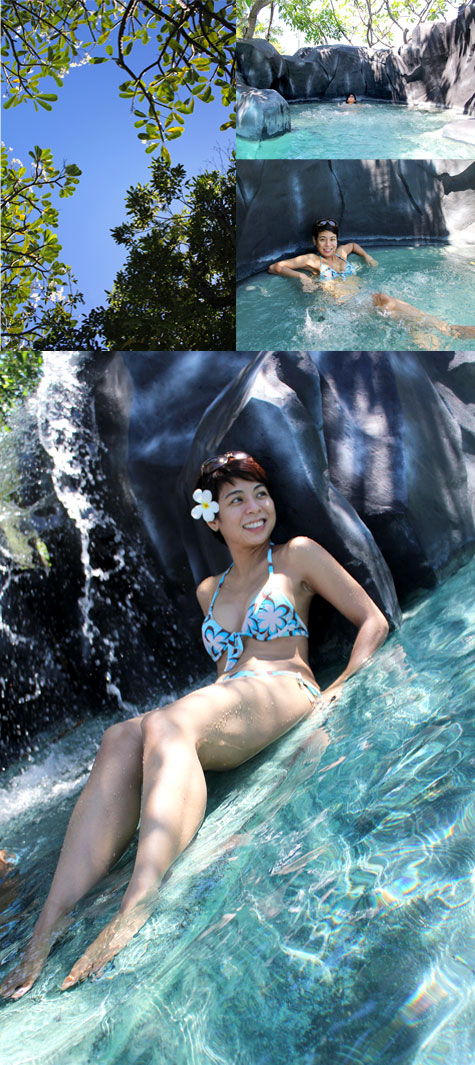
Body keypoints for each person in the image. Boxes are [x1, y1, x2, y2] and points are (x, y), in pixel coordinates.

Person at [0, 452, 389, 1000]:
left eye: (260, 494)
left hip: (284, 686)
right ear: (213, 518)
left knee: (169, 723)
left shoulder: (296, 556)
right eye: (237, 500)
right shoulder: (210, 589)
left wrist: (340, 686)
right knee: (121, 736)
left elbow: (371, 619)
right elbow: (223, 673)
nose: (255, 508)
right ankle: (50, 924)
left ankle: (140, 899)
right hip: (230, 700)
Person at [268, 219, 475, 339]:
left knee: (404, 320)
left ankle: (425, 339)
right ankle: (449, 329)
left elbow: (354, 245)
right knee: (384, 299)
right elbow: (275, 267)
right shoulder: (312, 260)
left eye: (332, 239)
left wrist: (368, 256)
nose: (328, 244)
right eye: (322, 240)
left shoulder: (341, 252)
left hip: (362, 298)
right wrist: (301, 277)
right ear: (315, 241)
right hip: (344, 307)